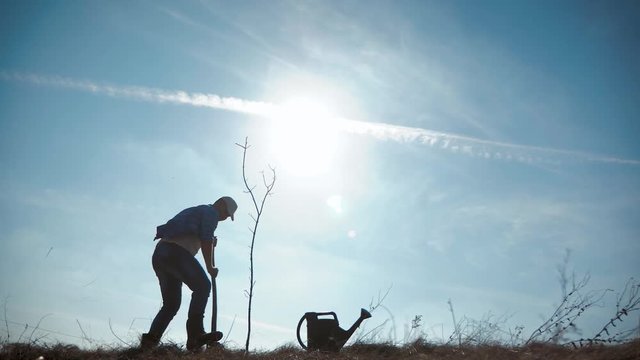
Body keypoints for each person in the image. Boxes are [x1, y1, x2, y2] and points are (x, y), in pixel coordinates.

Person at [140, 196, 238, 351]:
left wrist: (211, 243)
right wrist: (210, 267)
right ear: (220, 204)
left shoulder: (200, 211)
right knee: (203, 286)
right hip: (174, 252)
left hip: (161, 254)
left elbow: (204, 238)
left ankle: (149, 343)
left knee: (171, 304)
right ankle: (195, 335)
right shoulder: (211, 212)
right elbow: (205, 238)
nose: (225, 218)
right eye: (226, 213)